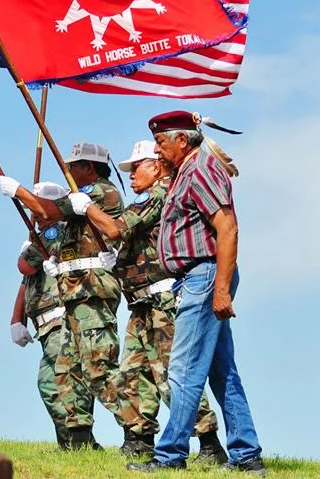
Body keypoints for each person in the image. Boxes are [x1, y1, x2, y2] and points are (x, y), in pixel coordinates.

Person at [72, 140, 226, 461]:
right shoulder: (148, 199)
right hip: (141, 304)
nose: (130, 176)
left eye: (136, 168)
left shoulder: (161, 194)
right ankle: (140, 438)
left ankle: (209, 441)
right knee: (133, 372)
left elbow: (117, 228)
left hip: (162, 302)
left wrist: (87, 207)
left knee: (172, 374)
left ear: (155, 166)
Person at [128, 111, 264, 474]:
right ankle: (247, 456)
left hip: (203, 276)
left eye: (161, 143)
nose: (157, 151)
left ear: (182, 141)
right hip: (199, 277)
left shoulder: (200, 169)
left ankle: (170, 455)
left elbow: (228, 228)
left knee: (183, 368)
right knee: (222, 371)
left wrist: (220, 289)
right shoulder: (186, 171)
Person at [0, 142, 146, 449]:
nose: (68, 172)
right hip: (75, 296)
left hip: (92, 293)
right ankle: (79, 443)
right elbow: (33, 256)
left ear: (89, 168)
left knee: (99, 370)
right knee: (65, 372)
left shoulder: (102, 192)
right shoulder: (80, 200)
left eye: (73, 166)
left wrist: (19, 191)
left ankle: (139, 432)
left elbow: (46, 210)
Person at [11, 181, 92, 450]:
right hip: (44, 325)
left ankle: (80, 443)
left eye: (35, 206)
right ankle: (70, 444)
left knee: (64, 383)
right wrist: (17, 320)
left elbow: (25, 265)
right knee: (49, 385)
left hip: (59, 321)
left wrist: (29, 246)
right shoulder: (41, 235)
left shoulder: (54, 232)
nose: (31, 213)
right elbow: (26, 282)